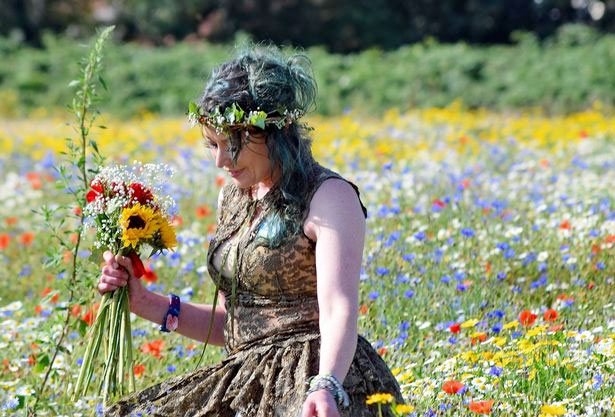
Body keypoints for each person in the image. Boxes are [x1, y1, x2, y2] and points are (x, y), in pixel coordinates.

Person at [98, 44, 403, 417]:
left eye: (233, 144)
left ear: (274, 132)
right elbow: (232, 322)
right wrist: (143, 302)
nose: (221, 160)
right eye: (213, 144)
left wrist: (327, 385)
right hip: (247, 378)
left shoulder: (329, 197)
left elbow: (339, 307)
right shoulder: (237, 195)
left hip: (316, 376)